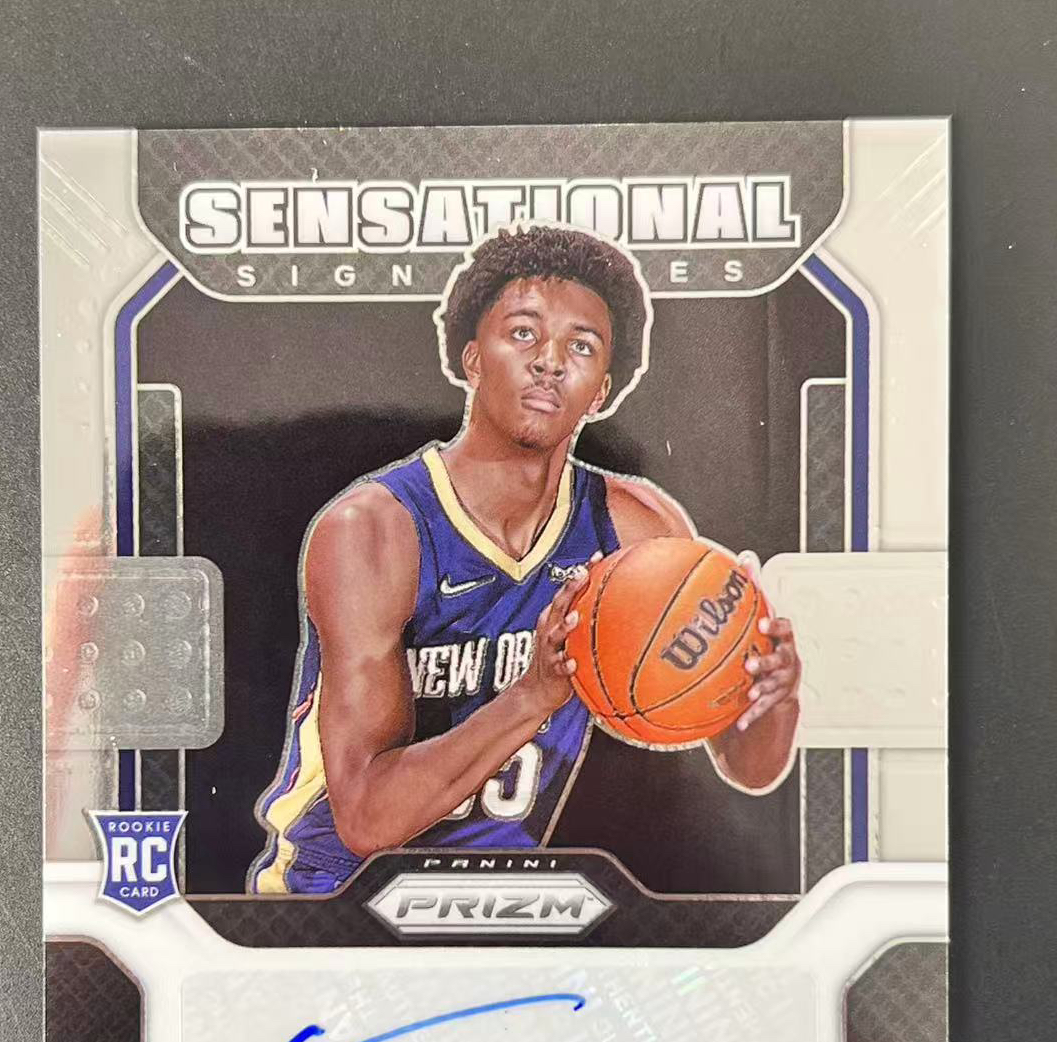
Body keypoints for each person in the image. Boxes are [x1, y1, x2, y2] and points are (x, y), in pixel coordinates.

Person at [249, 224, 801, 894]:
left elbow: (747, 766)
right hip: (332, 903)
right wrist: (533, 694)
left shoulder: (637, 530)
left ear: (602, 390)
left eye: (581, 346)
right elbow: (366, 818)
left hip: (503, 904)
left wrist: (771, 694)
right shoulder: (373, 531)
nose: (550, 362)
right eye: (523, 333)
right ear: (472, 358)